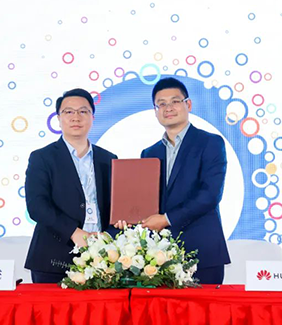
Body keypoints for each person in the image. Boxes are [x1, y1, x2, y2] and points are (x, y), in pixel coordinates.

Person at [119, 78, 231, 284]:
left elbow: (210, 195)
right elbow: (145, 200)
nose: (168, 108)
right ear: (155, 111)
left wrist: (167, 219)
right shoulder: (149, 153)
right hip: (157, 256)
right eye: (161, 104)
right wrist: (127, 216)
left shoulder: (211, 142)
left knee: (206, 306)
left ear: (188, 104)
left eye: (175, 101)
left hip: (202, 251)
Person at [24, 88, 117, 283]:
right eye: (68, 112)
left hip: (103, 256)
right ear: (59, 119)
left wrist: (109, 235)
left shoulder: (109, 159)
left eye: (83, 111)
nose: (76, 117)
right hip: (53, 258)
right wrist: (74, 233)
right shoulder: (42, 157)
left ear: (92, 117)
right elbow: (37, 206)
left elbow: (116, 206)